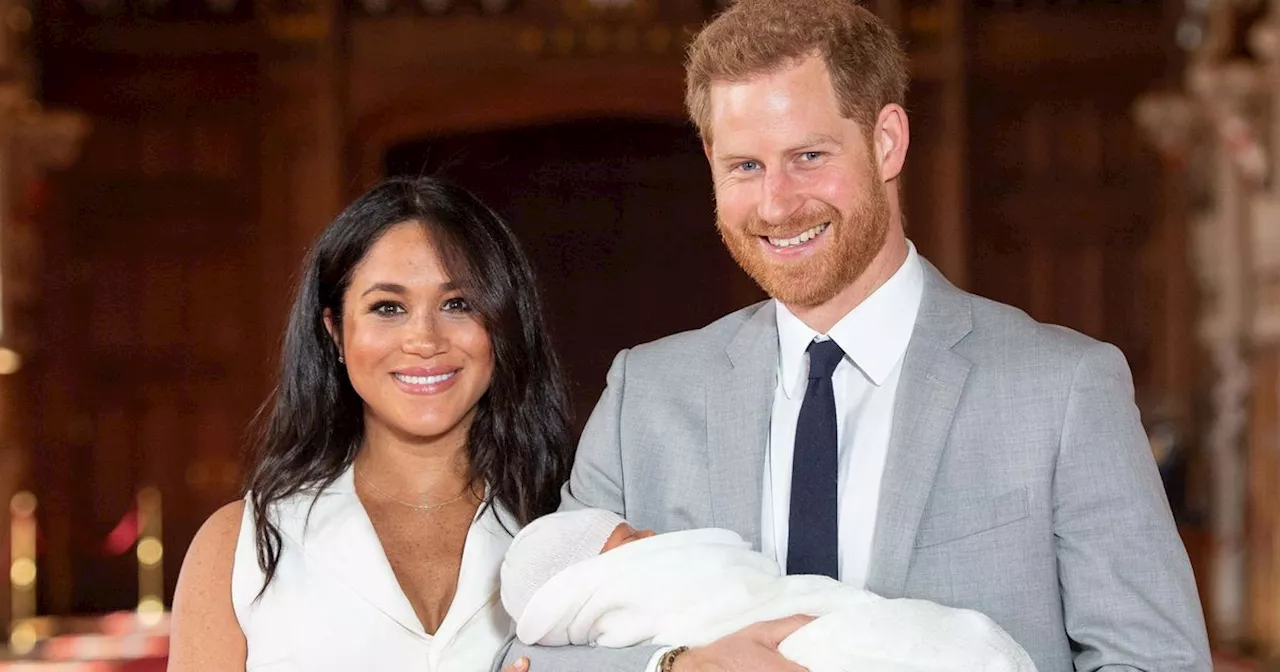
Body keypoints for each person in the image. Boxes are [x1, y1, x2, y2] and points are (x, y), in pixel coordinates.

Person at [500, 1, 1212, 670]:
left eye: (808, 157)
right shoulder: (644, 398)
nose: (776, 204)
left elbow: (1157, 661)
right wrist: (675, 666)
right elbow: (527, 654)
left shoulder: (1062, 389)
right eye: (745, 166)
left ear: (887, 141)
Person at [169, 176, 574, 671]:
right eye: (388, 307)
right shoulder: (238, 547)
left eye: (457, 304)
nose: (424, 339)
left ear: (503, 325)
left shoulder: (573, 529)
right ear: (335, 332)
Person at [499, 509, 1037, 672]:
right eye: (635, 539)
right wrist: (677, 666)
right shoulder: (639, 385)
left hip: (833, 619)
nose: (654, 538)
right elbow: (528, 659)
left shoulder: (1070, 376)